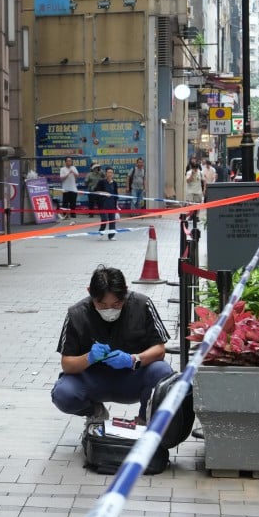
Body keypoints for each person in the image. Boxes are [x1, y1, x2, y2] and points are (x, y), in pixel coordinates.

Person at [51, 266, 173, 427]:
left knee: (162, 372)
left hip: (131, 378)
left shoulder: (142, 305)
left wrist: (133, 360)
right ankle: (95, 412)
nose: (110, 310)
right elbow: (67, 364)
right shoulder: (77, 314)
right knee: (63, 394)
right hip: (93, 380)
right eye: (102, 305)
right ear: (90, 292)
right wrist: (89, 357)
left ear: (126, 291)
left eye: (117, 304)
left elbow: (159, 349)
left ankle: (144, 420)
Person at [94, 166, 119, 240]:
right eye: (108, 172)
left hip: (112, 204)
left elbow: (116, 195)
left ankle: (111, 236)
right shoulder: (101, 182)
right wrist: (105, 193)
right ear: (106, 173)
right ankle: (101, 233)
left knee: (112, 221)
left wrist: (116, 205)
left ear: (113, 174)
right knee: (104, 219)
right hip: (103, 204)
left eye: (111, 172)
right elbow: (96, 191)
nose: (110, 174)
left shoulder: (114, 183)